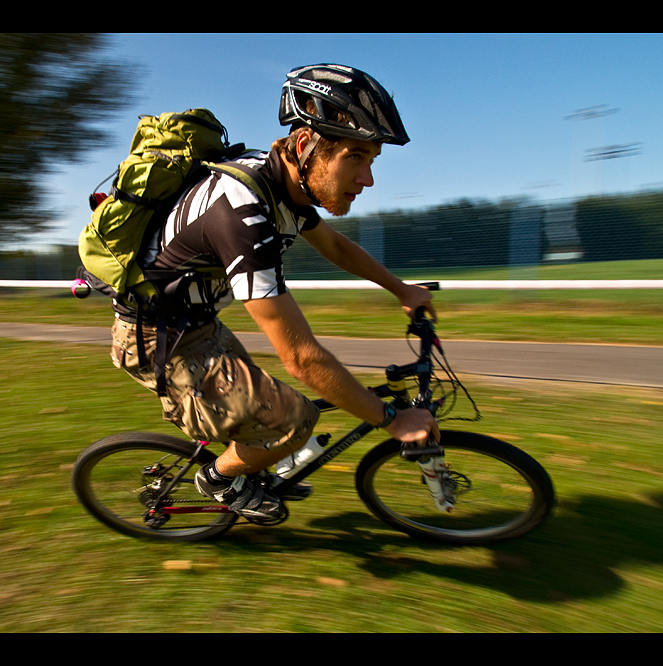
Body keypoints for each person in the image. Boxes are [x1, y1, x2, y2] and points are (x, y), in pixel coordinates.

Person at [108, 64, 440, 521]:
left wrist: (401, 289)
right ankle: (218, 479)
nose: (368, 179)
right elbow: (302, 357)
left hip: (195, 324)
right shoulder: (242, 212)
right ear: (306, 146)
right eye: (356, 157)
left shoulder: (284, 187)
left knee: (268, 410)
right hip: (157, 339)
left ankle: (247, 465)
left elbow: (337, 247)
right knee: (294, 419)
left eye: (372, 161)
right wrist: (392, 419)